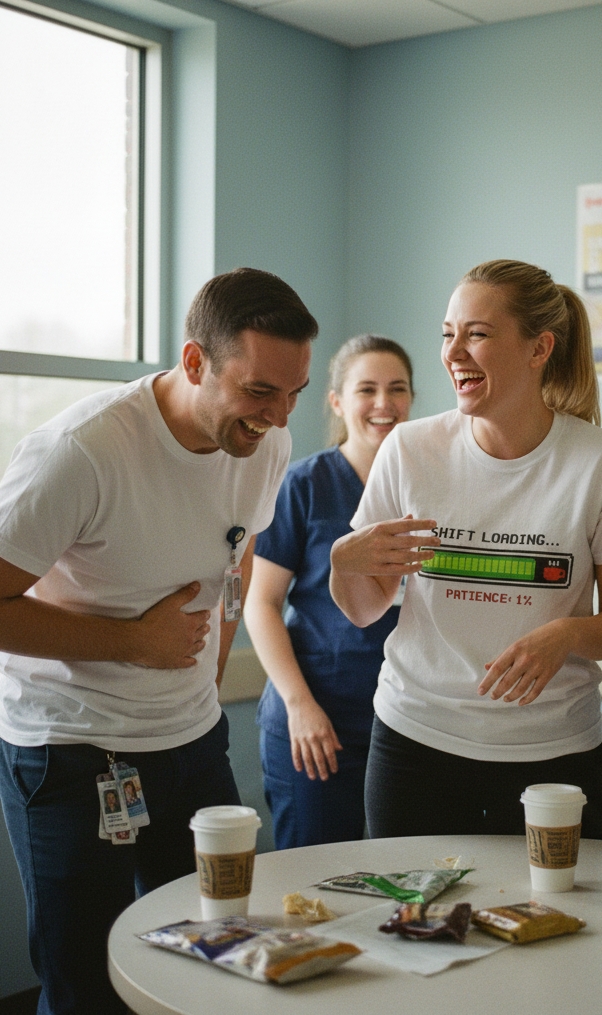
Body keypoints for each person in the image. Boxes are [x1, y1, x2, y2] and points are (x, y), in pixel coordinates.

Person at [0, 267, 318, 1015]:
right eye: (259, 392)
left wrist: (205, 678)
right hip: (68, 749)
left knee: (217, 956)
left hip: (190, 745)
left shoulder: (265, 444)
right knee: (87, 981)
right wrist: (131, 643)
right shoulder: (82, 451)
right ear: (195, 363)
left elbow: (236, 553)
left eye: (294, 394)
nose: (280, 417)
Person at [330, 259, 602, 840]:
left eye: (477, 334)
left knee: (556, 923)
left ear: (539, 349)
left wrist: (568, 634)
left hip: (554, 752)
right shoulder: (410, 448)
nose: (453, 352)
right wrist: (342, 563)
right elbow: (363, 608)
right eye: (448, 334)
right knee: (413, 923)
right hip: (415, 741)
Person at [245, 336, 414, 848]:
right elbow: (260, 603)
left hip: (404, 722)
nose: (384, 403)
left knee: (407, 879)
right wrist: (300, 706)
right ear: (338, 401)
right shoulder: (305, 485)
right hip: (317, 720)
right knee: (316, 882)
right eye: (367, 389)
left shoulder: (427, 485)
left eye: (397, 389)